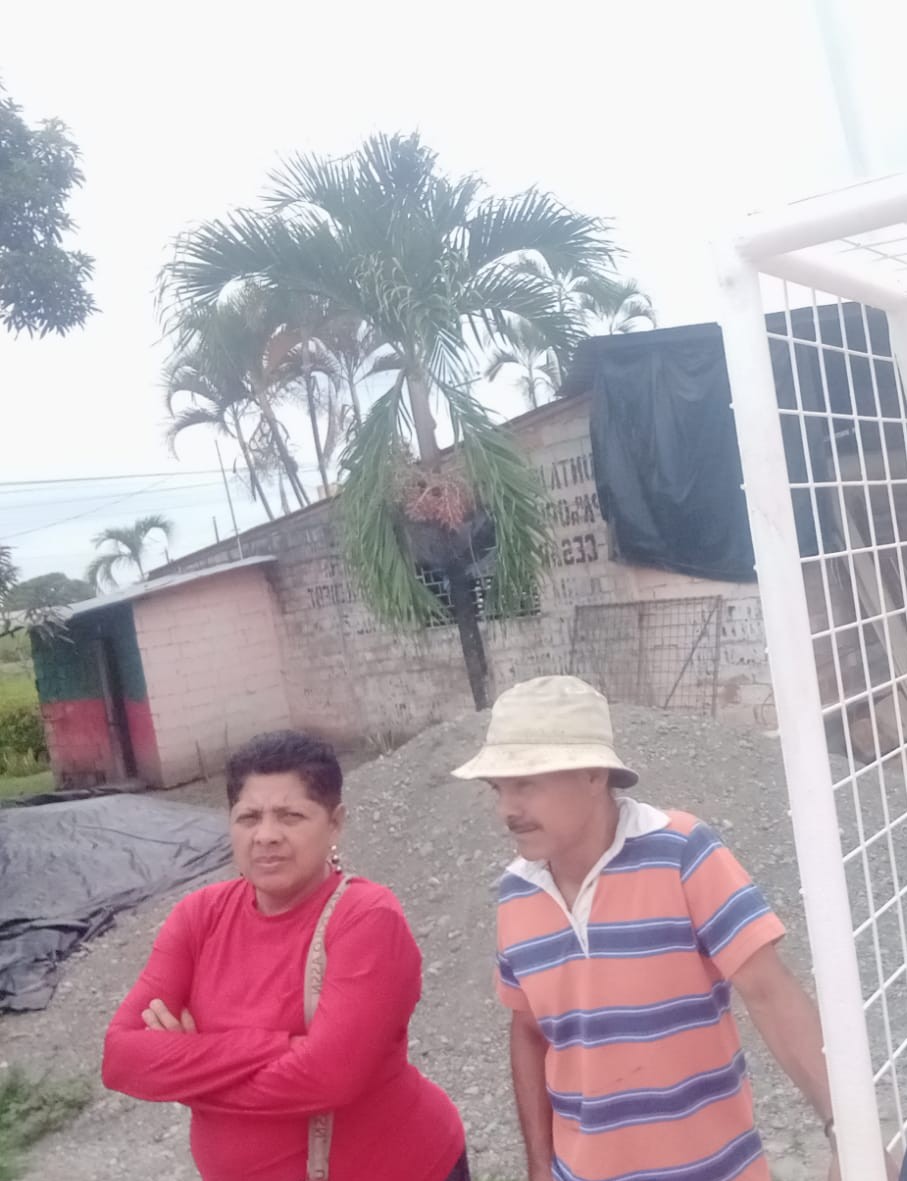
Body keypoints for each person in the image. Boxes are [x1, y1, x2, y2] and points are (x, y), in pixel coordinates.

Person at [452, 675, 897, 1181]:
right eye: (498, 788)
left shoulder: (682, 851)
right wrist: (539, 1166)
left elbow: (768, 991)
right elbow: (530, 1031)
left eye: (525, 784)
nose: (506, 810)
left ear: (594, 774)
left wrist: (849, 1130)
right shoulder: (517, 892)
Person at [103, 730, 468, 1181]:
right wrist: (284, 1047)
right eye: (248, 817)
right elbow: (121, 1057)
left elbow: (329, 1077)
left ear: (335, 823)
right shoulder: (199, 917)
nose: (266, 836)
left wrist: (184, 1064)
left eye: (291, 816)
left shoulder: (365, 918)